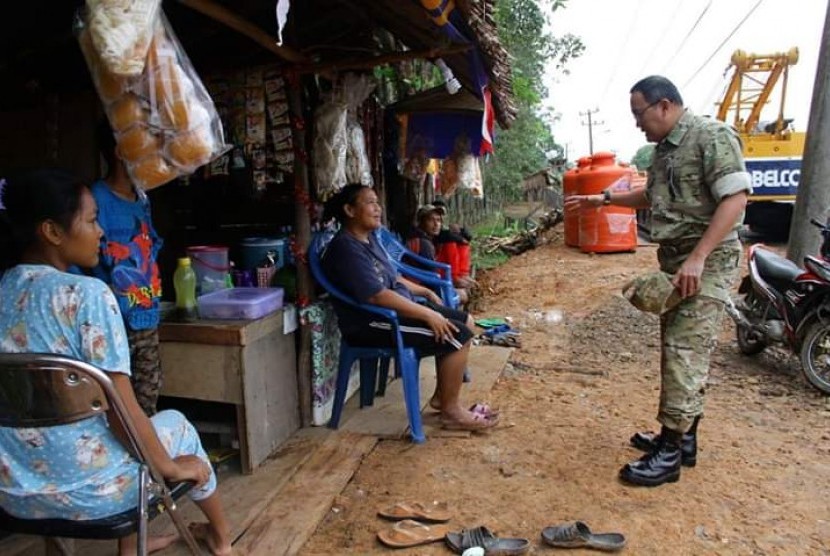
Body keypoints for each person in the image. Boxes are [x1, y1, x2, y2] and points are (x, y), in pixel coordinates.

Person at [0, 169, 233, 555]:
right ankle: (222, 538)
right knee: (175, 426)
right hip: (94, 496)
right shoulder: (87, 295)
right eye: (92, 221)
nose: (102, 232)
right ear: (52, 232)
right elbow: (122, 412)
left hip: (12, 492)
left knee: (59, 437)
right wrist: (174, 469)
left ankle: (127, 547)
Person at [565, 75, 751, 487]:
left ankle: (668, 455)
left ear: (664, 105)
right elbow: (653, 195)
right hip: (676, 263)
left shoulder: (711, 136)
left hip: (708, 262)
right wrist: (605, 199)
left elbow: (736, 199)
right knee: (680, 348)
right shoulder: (664, 151)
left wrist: (699, 258)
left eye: (639, 113)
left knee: (684, 352)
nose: (637, 124)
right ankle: (683, 441)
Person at [321, 184, 498, 430]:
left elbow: (392, 278)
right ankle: (451, 411)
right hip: (374, 322)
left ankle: (442, 398)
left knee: (464, 320)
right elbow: (377, 296)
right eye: (370, 203)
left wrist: (424, 291)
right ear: (349, 210)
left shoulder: (368, 239)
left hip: (394, 311)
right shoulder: (346, 248)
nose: (378, 208)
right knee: (457, 334)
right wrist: (427, 313)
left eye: (377, 202)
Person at [81, 121, 165, 416]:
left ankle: (147, 461)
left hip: (146, 318)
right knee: (114, 407)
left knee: (147, 400)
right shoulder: (95, 201)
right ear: (120, 151)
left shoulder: (142, 199)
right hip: (112, 324)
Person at [406, 203, 471, 304]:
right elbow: (433, 279)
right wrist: (451, 288)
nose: (436, 224)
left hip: (422, 284)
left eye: (438, 220)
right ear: (421, 222)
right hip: (419, 289)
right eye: (431, 220)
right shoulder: (424, 244)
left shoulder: (423, 238)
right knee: (463, 295)